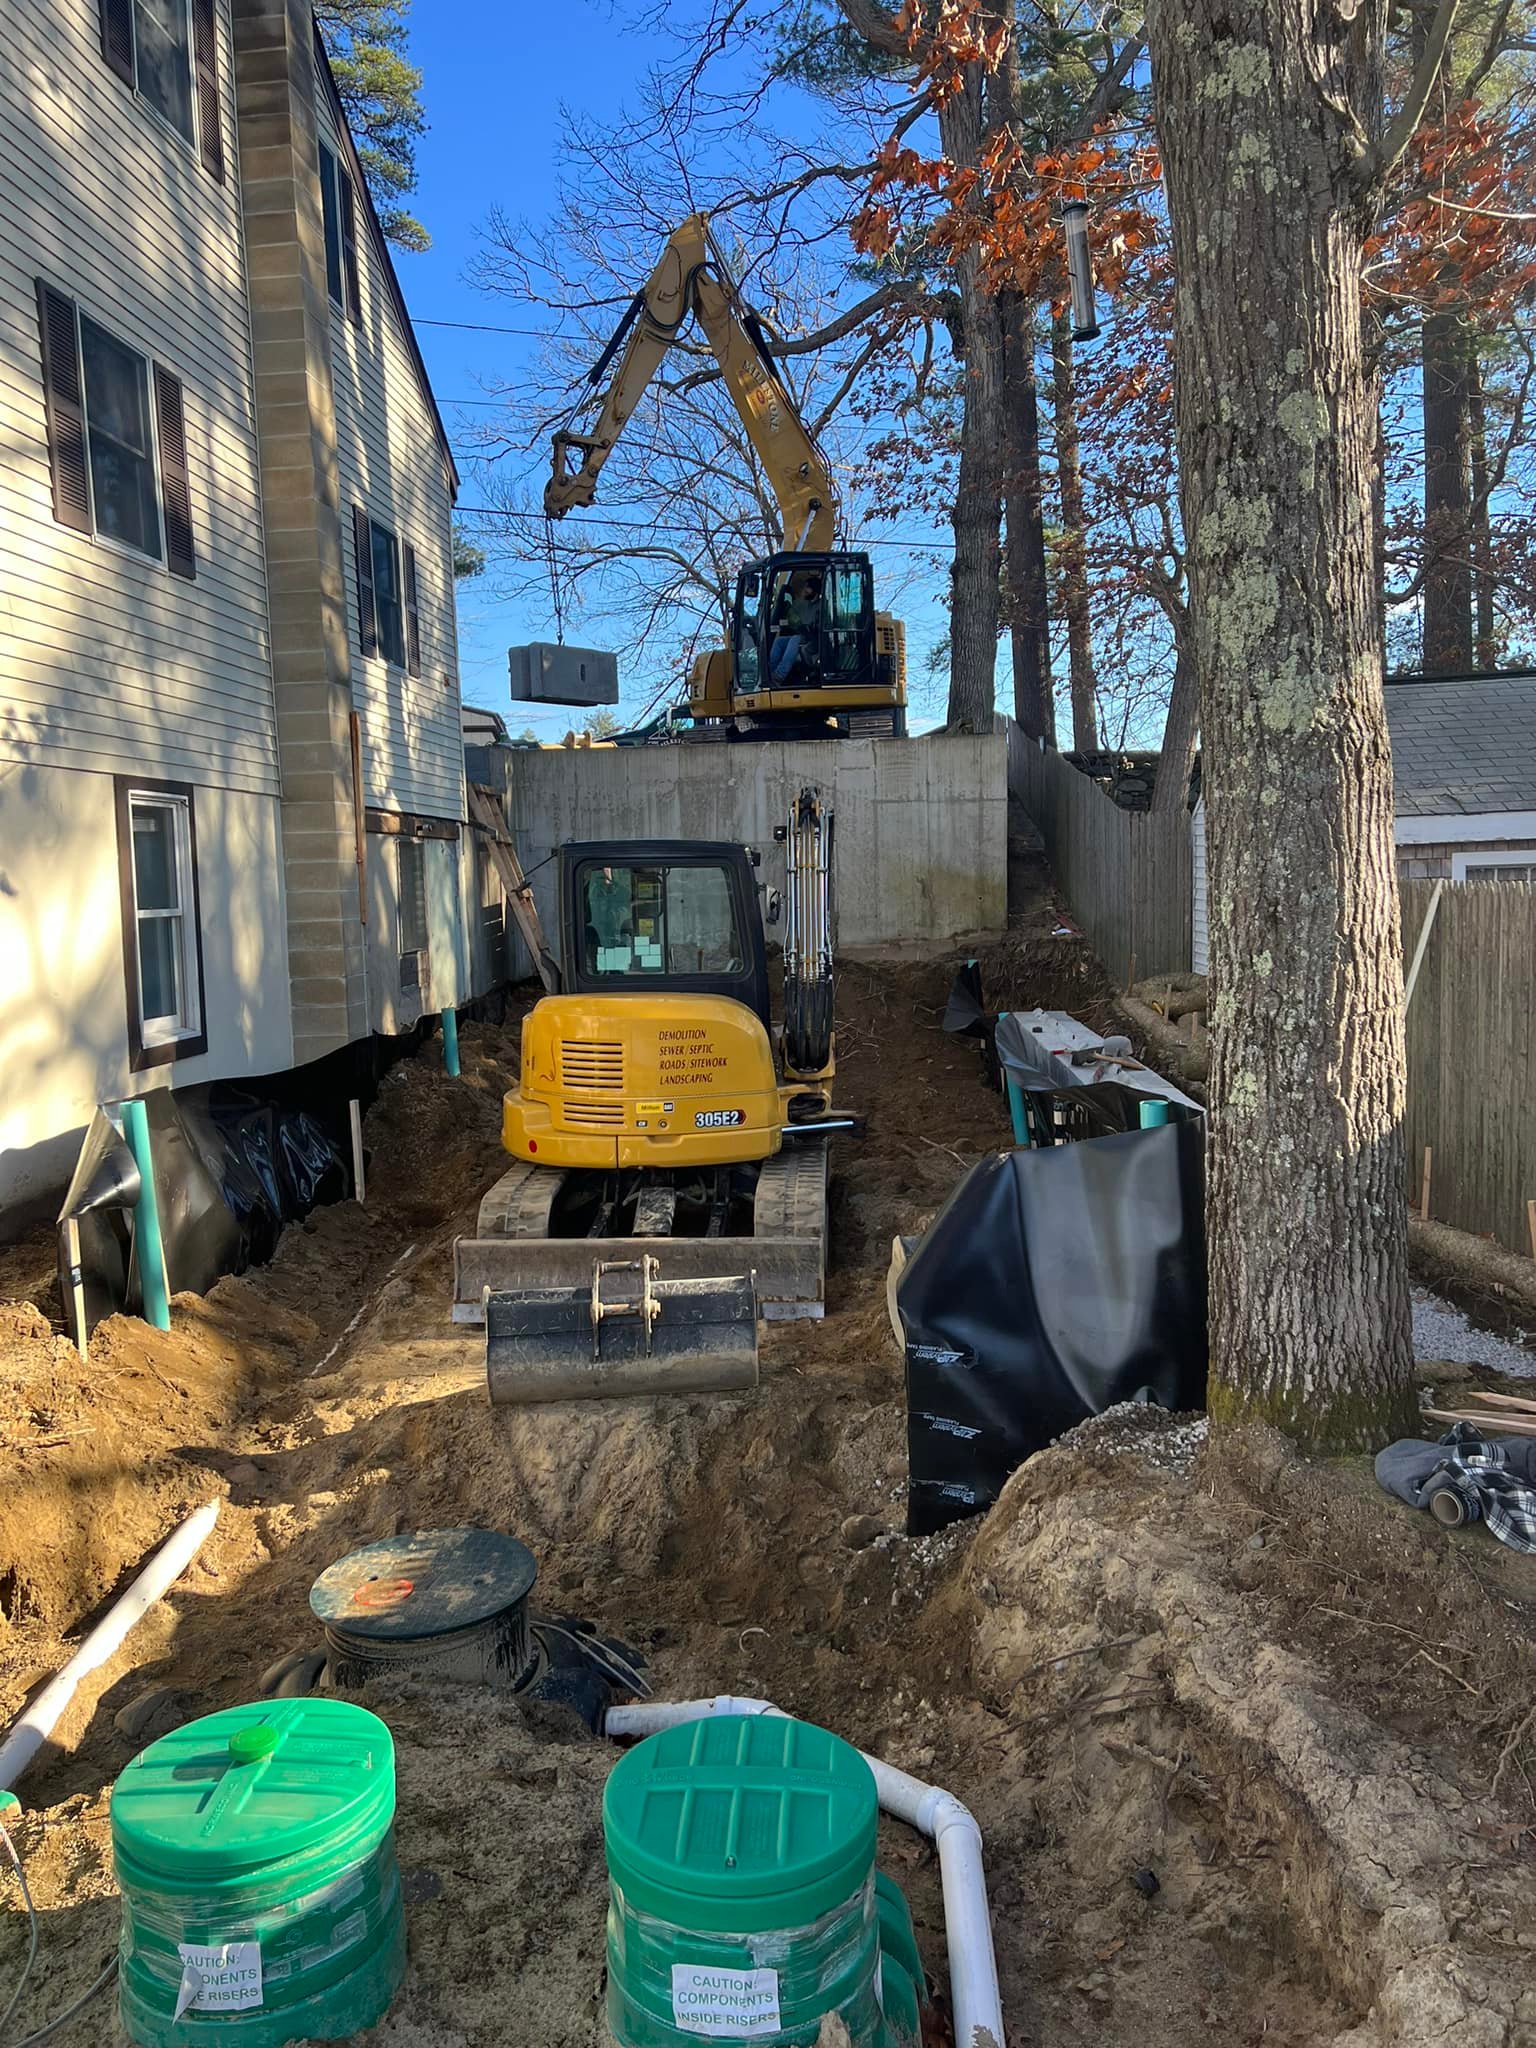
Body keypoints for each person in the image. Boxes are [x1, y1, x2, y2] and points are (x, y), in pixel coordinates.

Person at [769, 571, 822, 683]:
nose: (804, 590)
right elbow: (792, 612)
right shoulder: (804, 604)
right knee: (779, 641)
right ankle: (770, 671)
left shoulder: (821, 607)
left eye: (807, 588)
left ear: (815, 590)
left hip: (816, 640)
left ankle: (779, 675)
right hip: (804, 636)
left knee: (795, 639)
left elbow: (816, 625)